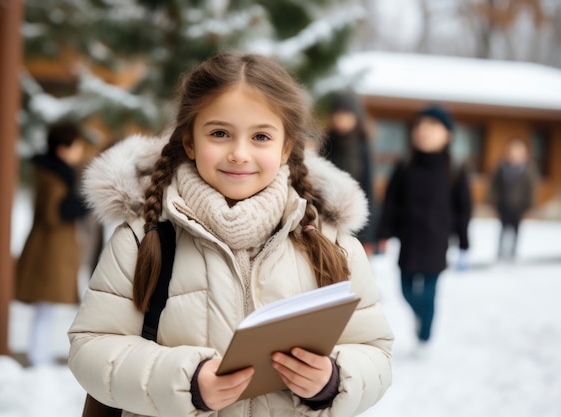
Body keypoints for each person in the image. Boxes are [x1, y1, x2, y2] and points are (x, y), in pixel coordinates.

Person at [68, 52, 393, 416]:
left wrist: (332, 379)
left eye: (261, 136)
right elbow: (91, 349)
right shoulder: (144, 236)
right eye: (220, 133)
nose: (239, 153)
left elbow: (373, 349)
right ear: (190, 141)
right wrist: (186, 381)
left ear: (286, 148)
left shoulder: (330, 241)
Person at [377, 104, 471, 348]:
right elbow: (390, 202)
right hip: (409, 239)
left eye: (432, 126)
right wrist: (384, 233)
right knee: (406, 290)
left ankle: (425, 334)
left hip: (437, 240)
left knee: (429, 292)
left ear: (448, 134)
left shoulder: (455, 169)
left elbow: (463, 208)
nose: (424, 131)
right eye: (420, 126)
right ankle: (421, 316)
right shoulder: (404, 165)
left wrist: (463, 242)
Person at [16, 122, 88, 366]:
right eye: (76, 147)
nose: (80, 152)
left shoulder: (56, 173)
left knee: (46, 309)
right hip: (48, 250)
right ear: (62, 150)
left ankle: (40, 355)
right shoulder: (55, 176)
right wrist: (79, 205)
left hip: (52, 248)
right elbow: (52, 213)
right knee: (44, 308)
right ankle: (38, 356)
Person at [321, 91, 378, 256]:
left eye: (346, 114)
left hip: (353, 217)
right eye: (337, 113)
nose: (340, 119)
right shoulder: (326, 143)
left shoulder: (362, 147)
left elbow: (368, 189)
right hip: (326, 215)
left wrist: (369, 235)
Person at [487, 138, 538, 260]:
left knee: (516, 230)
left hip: (519, 205)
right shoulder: (502, 167)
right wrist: (490, 201)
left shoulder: (528, 169)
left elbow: (531, 189)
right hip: (503, 203)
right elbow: (494, 185)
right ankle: (500, 252)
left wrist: (530, 206)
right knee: (502, 229)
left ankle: (513, 252)